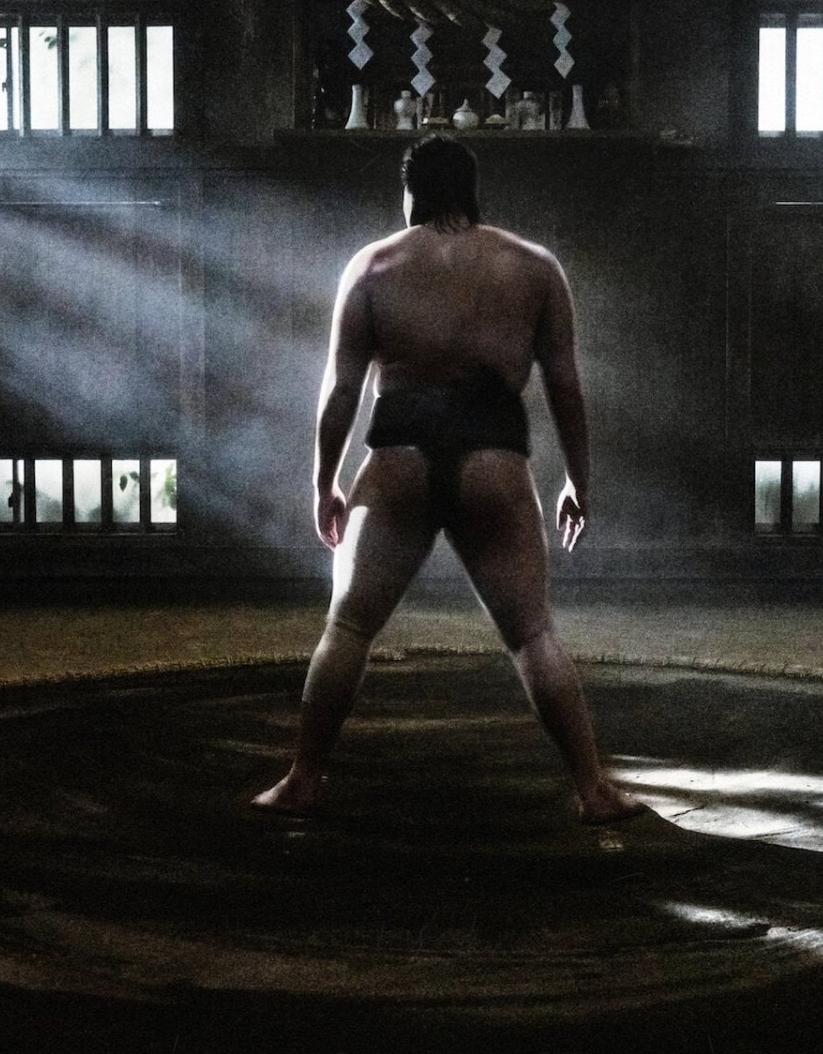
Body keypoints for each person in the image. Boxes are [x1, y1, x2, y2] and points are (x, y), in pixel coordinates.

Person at [252, 136, 645, 824]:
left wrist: (325, 483)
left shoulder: (372, 266)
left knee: (348, 627)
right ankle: (593, 790)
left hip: (398, 458)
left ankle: (302, 781)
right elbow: (566, 388)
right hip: (493, 460)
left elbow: (341, 390)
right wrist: (578, 482)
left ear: (411, 195)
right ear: (471, 192)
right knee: (533, 636)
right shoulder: (534, 267)